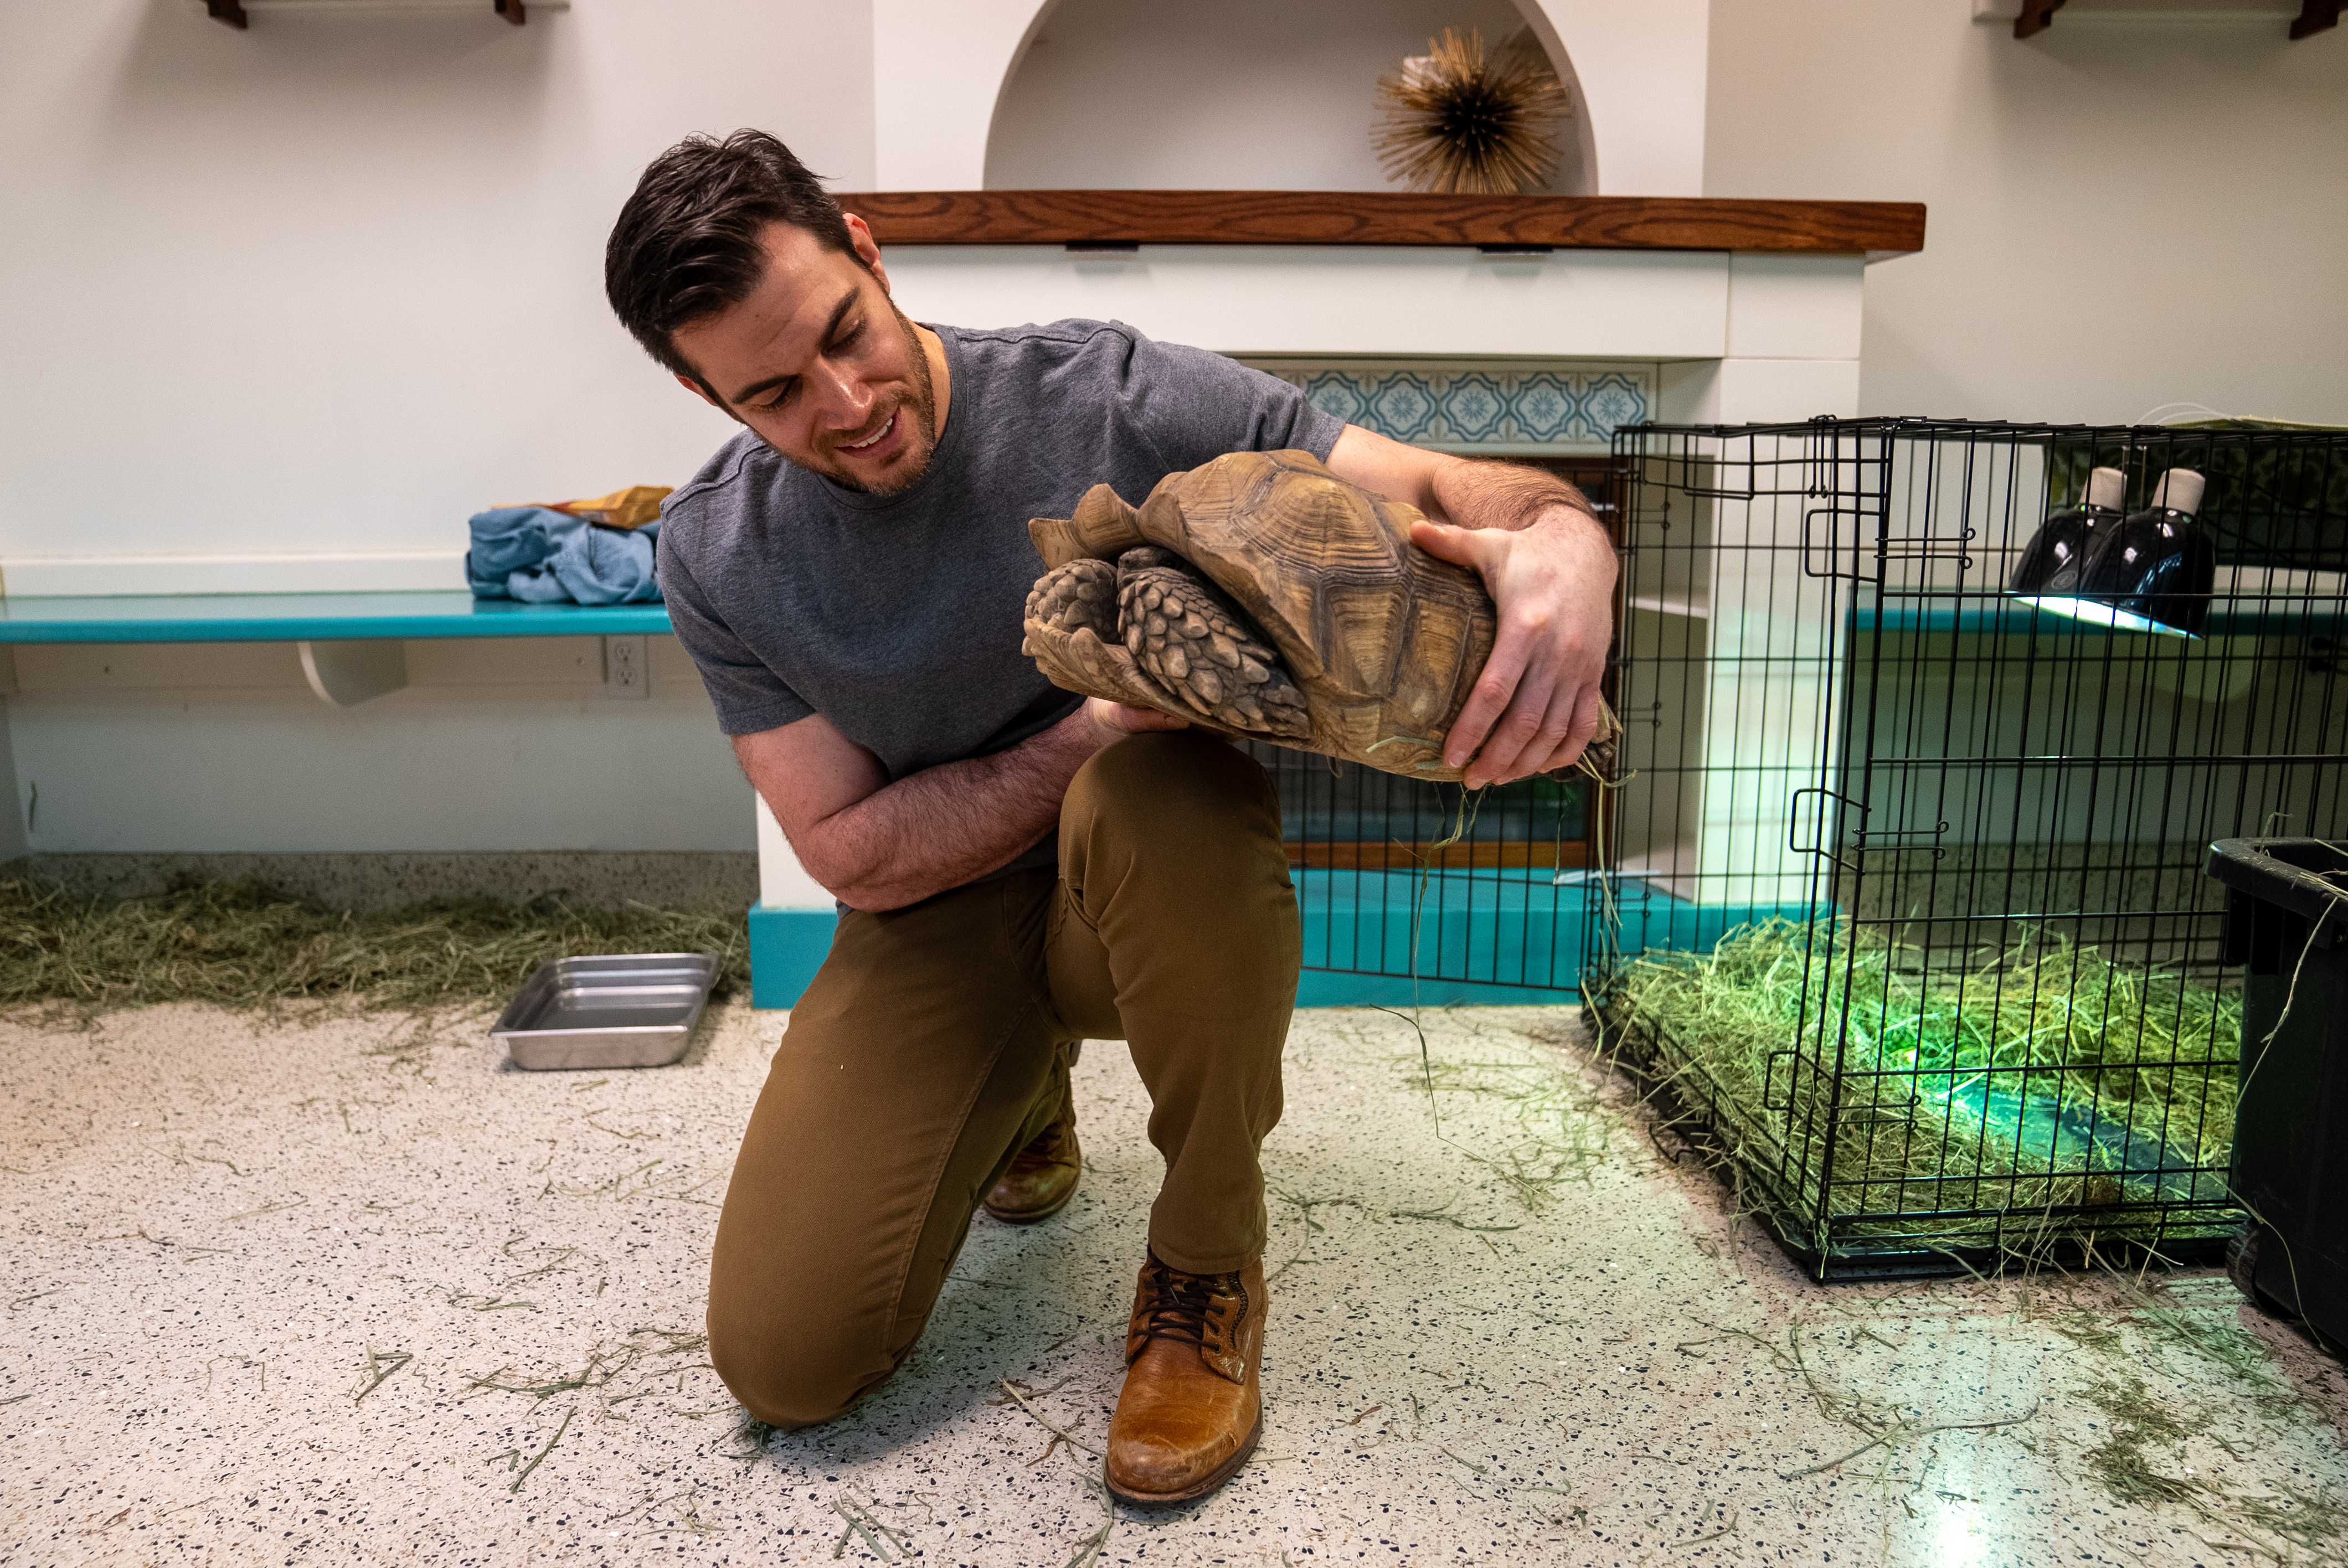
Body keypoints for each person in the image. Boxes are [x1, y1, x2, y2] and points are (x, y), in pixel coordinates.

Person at [603, 130, 1615, 1506]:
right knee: (784, 1364)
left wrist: (1567, 539)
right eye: (773, 393)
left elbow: (1436, 485)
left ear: (865, 250)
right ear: (698, 389)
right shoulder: (717, 554)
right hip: (937, 910)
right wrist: (1092, 713)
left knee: (1167, 791)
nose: (845, 403)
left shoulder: (1104, 394)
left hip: (1141, 859)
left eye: (847, 332)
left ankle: (1204, 1262)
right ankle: (1018, 1094)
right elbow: (844, 850)